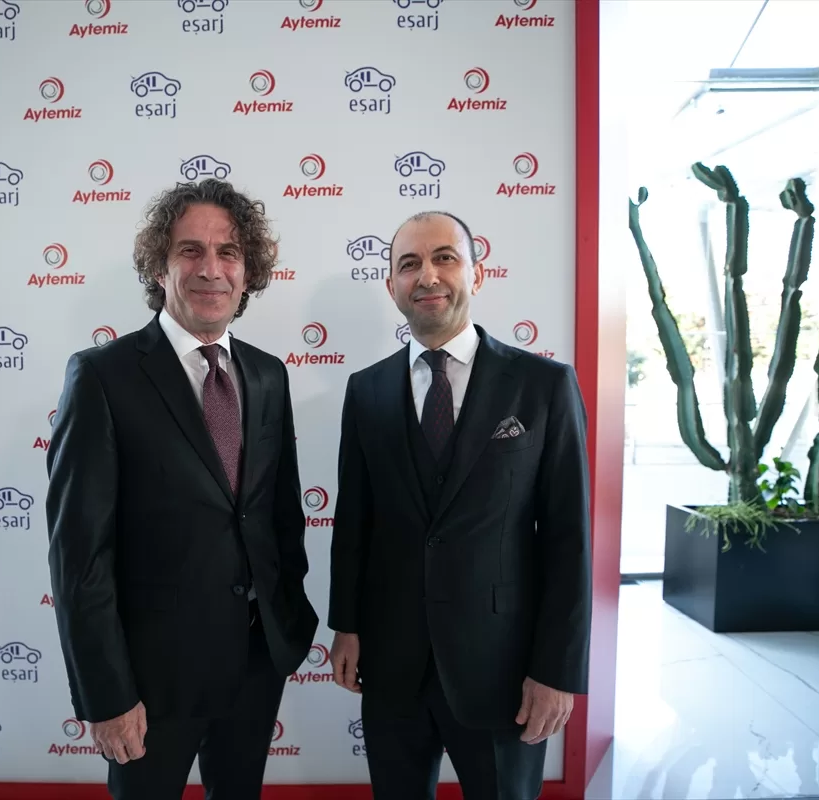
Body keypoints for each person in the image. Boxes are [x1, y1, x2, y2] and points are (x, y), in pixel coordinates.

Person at [44, 179, 318, 799]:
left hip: (257, 659)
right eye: (190, 250)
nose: (211, 269)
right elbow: (79, 557)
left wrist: (288, 620)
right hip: (150, 678)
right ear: (158, 266)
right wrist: (108, 694)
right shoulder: (102, 377)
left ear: (248, 271)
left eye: (228, 253)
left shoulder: (268, 374)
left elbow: (280, 513)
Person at [327, 211, 592, 799]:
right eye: (409, 264)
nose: (428, 276)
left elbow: (569, 538)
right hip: (391, 664)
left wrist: (557, 670)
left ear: (477, 272)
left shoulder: (543, 385)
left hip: (504, 667)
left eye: (444, 257)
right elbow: (354, 522)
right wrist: (346, 625)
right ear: (391, 285)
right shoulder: (366, 389)